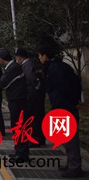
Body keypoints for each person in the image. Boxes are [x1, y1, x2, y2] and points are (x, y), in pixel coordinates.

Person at [37, 45, 84, 178]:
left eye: (39, 55)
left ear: (45, 56)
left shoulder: (55, 69)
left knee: (70, 138)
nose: (39, 58)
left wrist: (73, 102)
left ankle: (74, 167)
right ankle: (71, 164)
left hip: (65, 106)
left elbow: (65, 87)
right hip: (63, 105)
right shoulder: (58, 66)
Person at [0, 48, 30, 162]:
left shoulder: (12, 68)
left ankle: (22, 154)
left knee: (19, 126)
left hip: (18, 101)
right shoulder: (13, 67)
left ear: (1, 58)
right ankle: (19, 151)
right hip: (16, 100)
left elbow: (1, 83)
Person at [15, 48, 46, 147]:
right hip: (37, 95)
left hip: (32, 95)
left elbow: (31, 79)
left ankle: (34, 139)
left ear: (19, 57)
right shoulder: (32, 64)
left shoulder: (27, 66)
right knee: (38, 116)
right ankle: (40, 138)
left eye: (16, 57)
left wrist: (36, 89)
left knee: (33, 118)